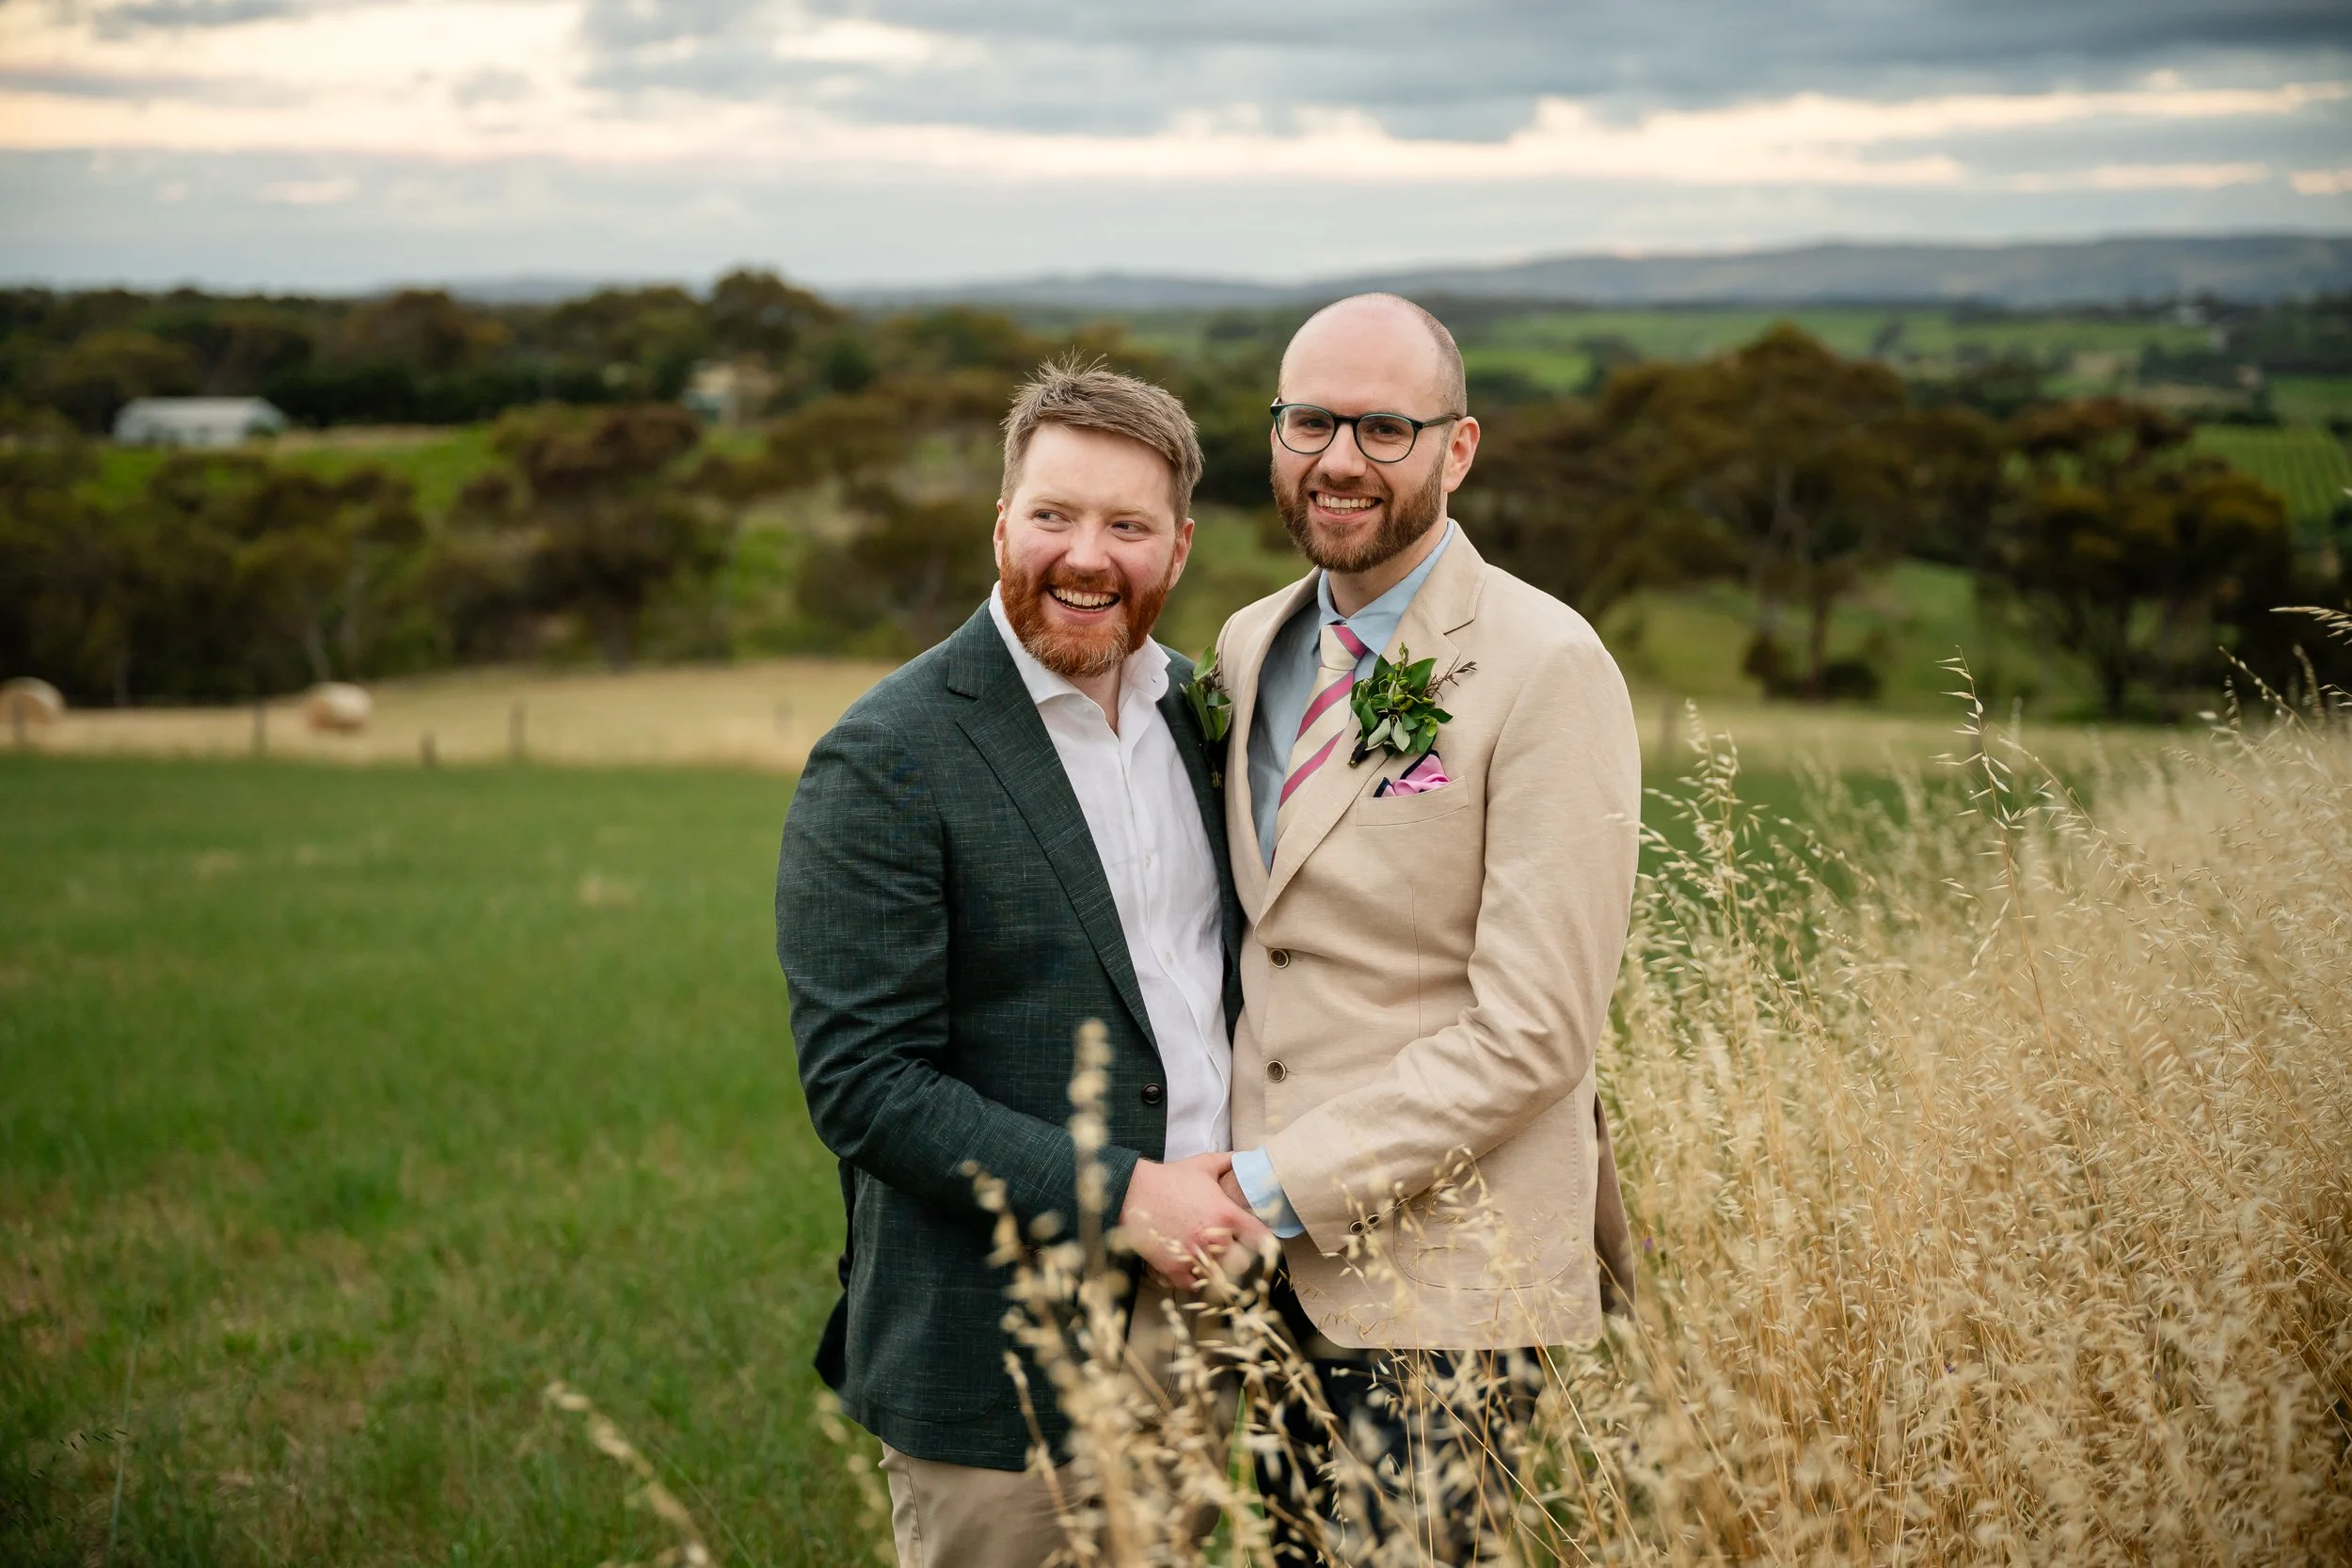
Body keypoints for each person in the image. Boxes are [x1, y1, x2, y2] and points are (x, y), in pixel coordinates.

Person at [777, 361, 1267, 1568]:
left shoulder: (1200, 714)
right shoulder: (888, 752)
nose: (1085, 556)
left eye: (1126, 525)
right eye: (1052, 515)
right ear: (1001, 523)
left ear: (1180, 548)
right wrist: (1131, 1196)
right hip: (997, 1356)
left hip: (1208, 1319)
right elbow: (865, 1084)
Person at [1211, 293, 1643, 1560]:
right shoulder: (1250, 640)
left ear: (1458, 449)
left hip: (1445, 1275)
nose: (1340, 458)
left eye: (1386, 427)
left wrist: (1274, 1184)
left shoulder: (1545, 662)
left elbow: (1537, 1032)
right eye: (1311, 421)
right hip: (1267, 1280)